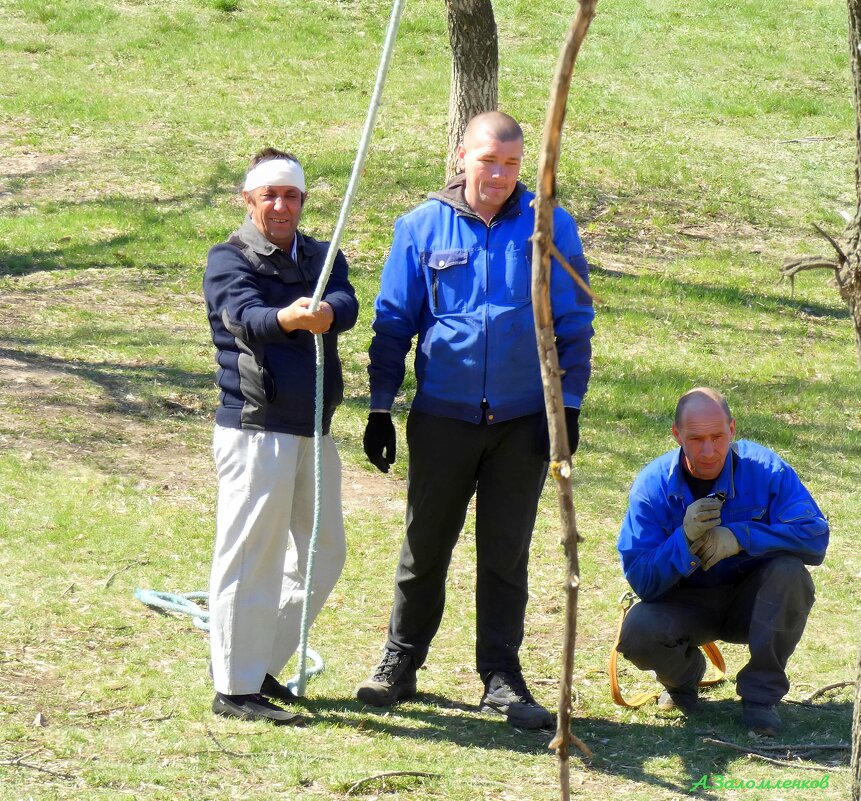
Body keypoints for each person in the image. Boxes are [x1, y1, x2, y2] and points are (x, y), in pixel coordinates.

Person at [356, 111, 595, 730]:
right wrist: (381, 407)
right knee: (424, 545)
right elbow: (392, 324)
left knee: (505, 551)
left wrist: (565, 411)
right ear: (462, 155)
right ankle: (399, 664)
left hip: (522, 423)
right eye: (489, 161)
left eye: (512, 164)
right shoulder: (419, 226)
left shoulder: (550, 228)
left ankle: (501, 677)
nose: (499, 175)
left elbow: (573, 327)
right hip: (442, 417)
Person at [203, 148, 359, 724]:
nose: (280, 205)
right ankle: (234, 689)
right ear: (248, 200)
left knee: (324, 553)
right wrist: (291, 318)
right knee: (250, 558)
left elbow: (345, 299)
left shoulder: (322, 254)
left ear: (303, 202)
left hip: (314, 427)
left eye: (290, 195)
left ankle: (258, 665)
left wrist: (329, 314)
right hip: (256, 428)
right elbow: (243, 316)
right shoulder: (229, 257)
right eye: (268, 194)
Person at [616, 387, 829, 736]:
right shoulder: (652, 486)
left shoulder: (765, 469)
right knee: (638, 632)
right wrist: (682, 540)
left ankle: (760, 698)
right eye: (696, 439)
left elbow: (815, 536)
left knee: (792, 575)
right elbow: (641, 580)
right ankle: (682, 681)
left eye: (717, 436)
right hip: (685, 604)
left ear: (732, 429)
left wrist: (740, 538)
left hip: (755, 600)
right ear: (676, 435)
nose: (709, 450)